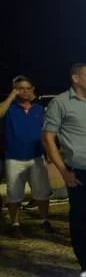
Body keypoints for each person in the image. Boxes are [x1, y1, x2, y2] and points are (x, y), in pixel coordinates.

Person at [43, 63, 86, 271]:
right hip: (77, 170)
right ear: (75, 78)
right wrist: (64, 171)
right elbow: (48, 137)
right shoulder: (60, 102)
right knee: (79, 217)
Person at [0, 76, 53, 237]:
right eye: (20, 88)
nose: (25, 91)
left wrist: (50, 153)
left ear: (33, 89)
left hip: (37, 156)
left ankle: (44, 221)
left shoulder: (39, 109)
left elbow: (47, 132)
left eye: (28, 88)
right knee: (14, 193)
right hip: (14, 157)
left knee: (42, 192)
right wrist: (11, 96)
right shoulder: (9, 108)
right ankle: (15, 224)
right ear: (15, 90)